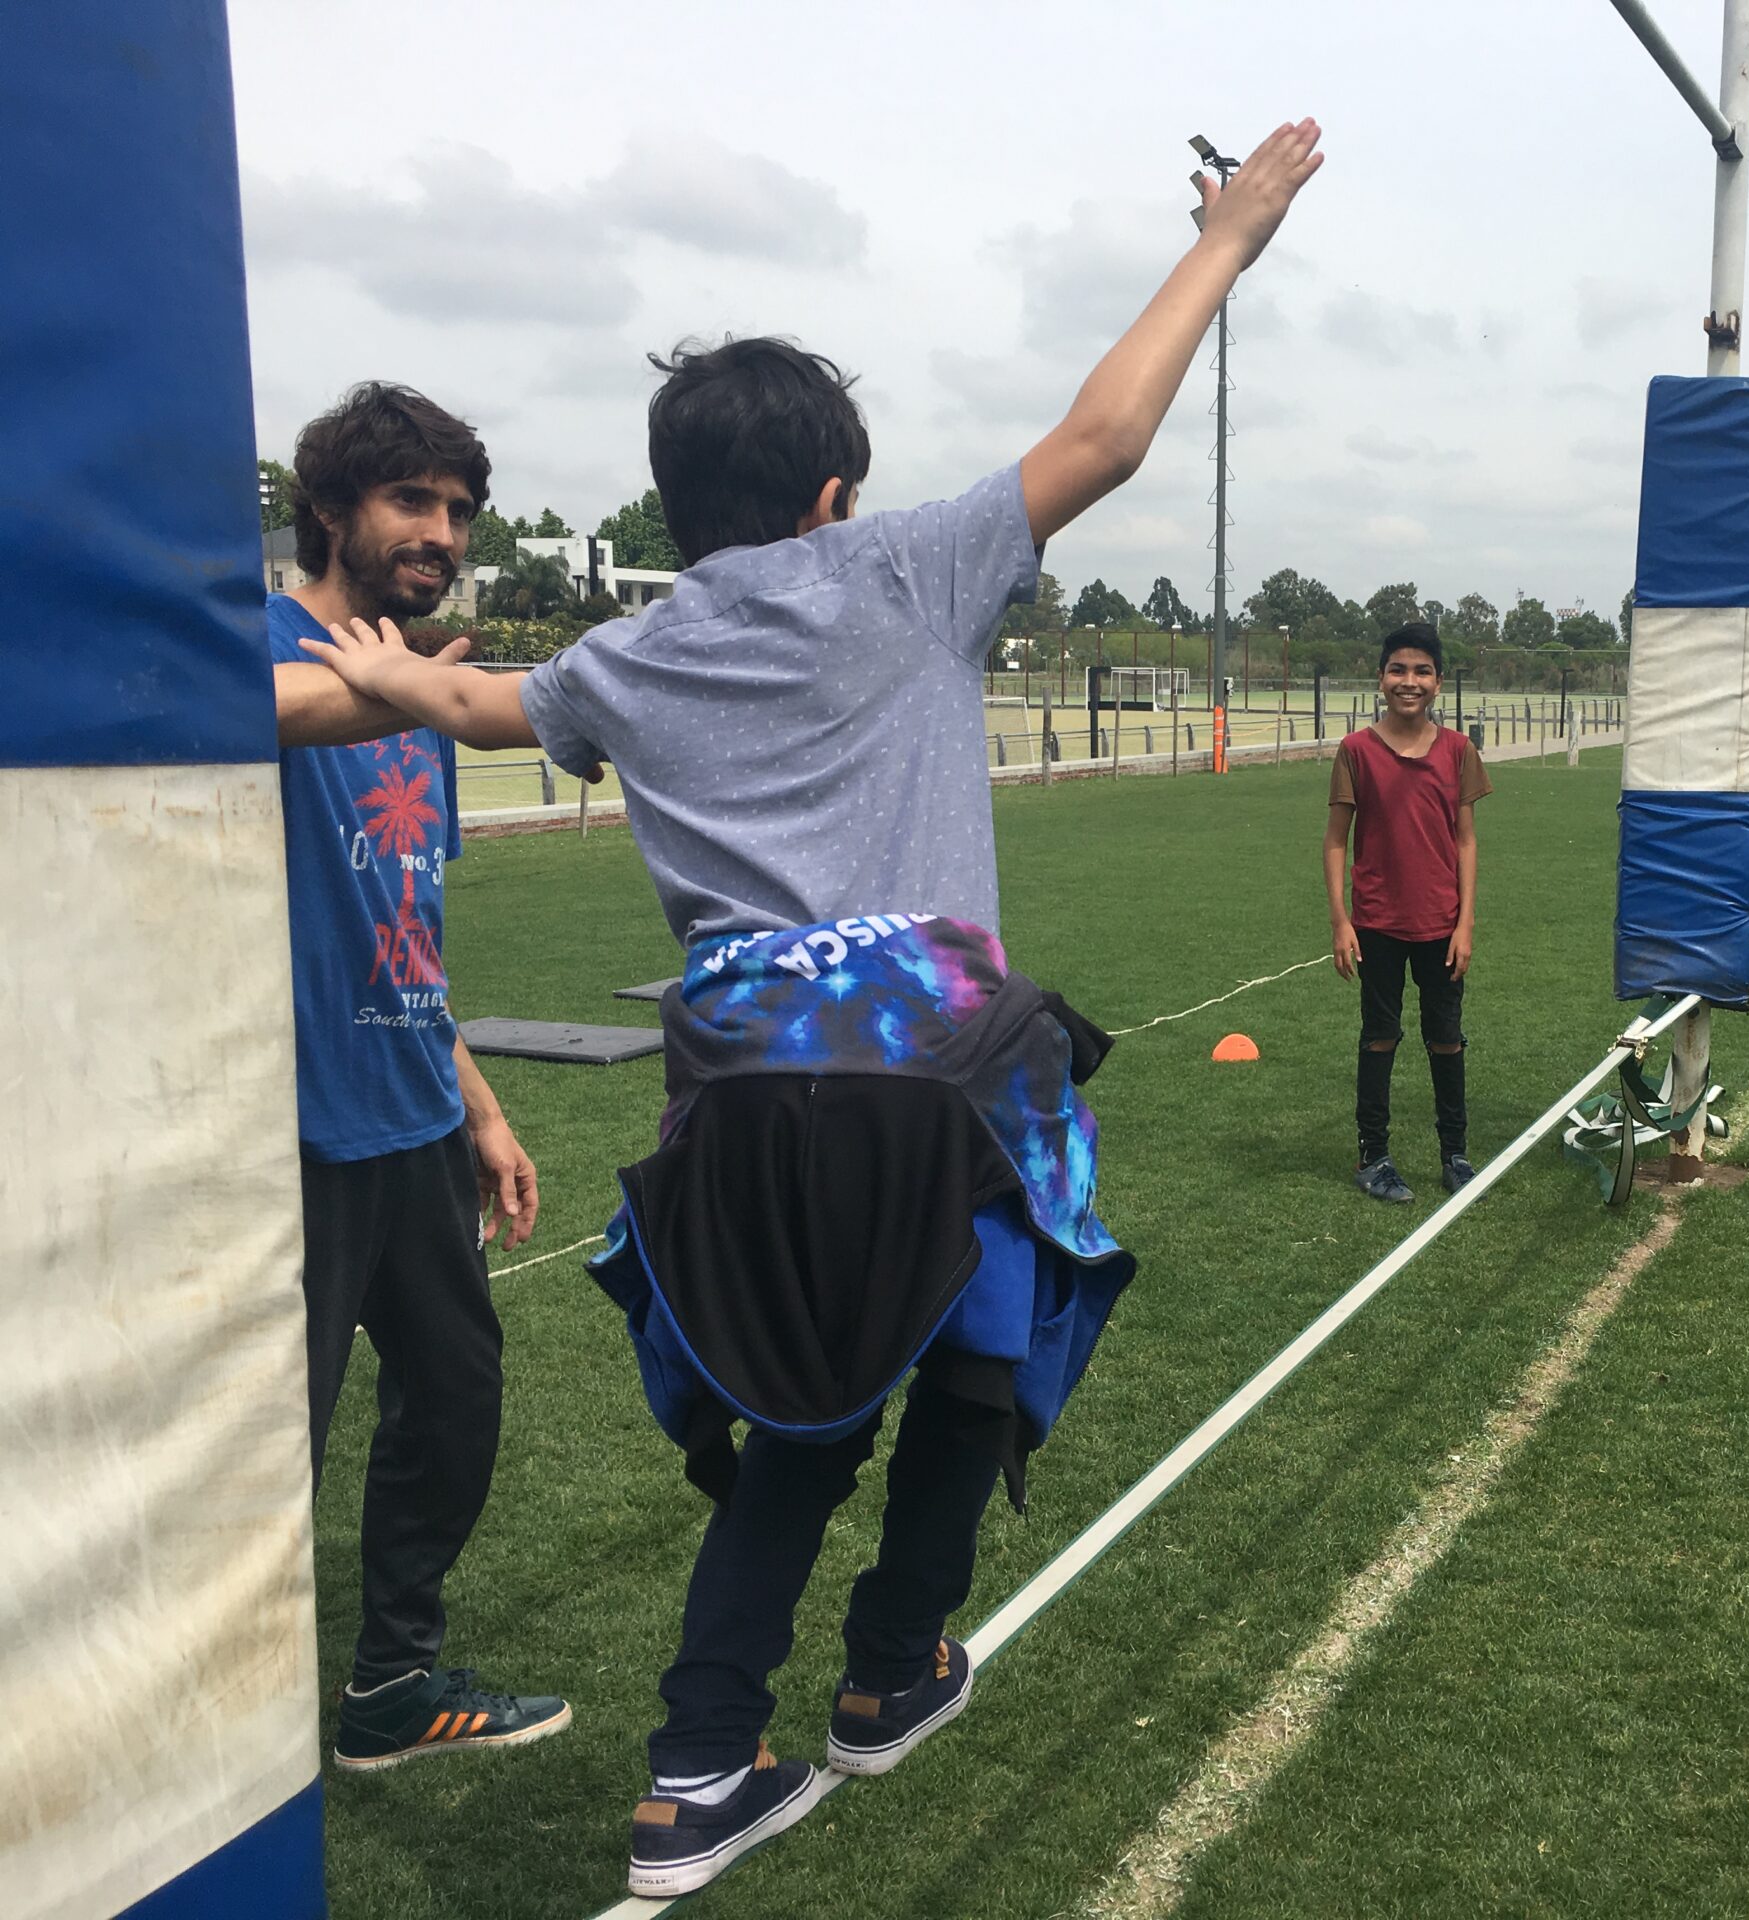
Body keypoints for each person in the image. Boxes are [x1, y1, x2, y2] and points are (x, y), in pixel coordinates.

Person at [294, 120, 1326, 1896]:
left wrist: (380, 669)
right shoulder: (909, 568)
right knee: (987, 1357)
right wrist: (1228, 240)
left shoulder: (626, 654)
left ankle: (696, 1770)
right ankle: (891, 1663)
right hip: (939, 1078)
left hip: (745, 1098)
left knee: (807, 1420)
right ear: (835, 496)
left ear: (677, 509)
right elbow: (1106, 435)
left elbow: (468, 708)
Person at [266, 382, 571, 1768]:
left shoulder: (422, 699)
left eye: (456, 510)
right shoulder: (257, 649)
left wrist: (481, 1110)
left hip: (413, 1118)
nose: (440, 533)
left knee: (455, 1399)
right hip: (288, 1134)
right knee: (268, 1447)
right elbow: (230, 714)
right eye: (410, 501)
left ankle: (391, 1684)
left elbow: (408, 931)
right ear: (332, 508)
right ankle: (201, 1739)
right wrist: (395, 679)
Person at [1324, 621, 1491, 1204]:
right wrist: (1341, 921)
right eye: (1398, 669)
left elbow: (1466, 840)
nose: (1409, 681)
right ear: (1381, 678)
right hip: (1377, 924)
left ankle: (1455, 1154)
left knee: (1446, 1039)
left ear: (1438, 682)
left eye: (1422, 671)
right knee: (1380, 1037)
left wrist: (1465, 923)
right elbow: (1336, 841)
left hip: (1441, 925)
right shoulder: (1356, 751)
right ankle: (1373, 1156)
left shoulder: (1458, 751)